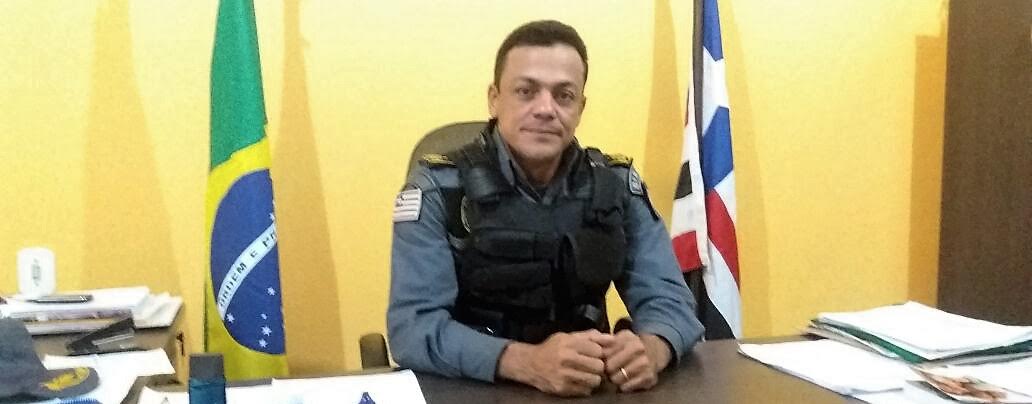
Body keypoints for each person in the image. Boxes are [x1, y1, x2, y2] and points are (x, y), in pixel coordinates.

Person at [387, 20, 704, 397]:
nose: (545, 109)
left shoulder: (615, 185)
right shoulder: (440, 188)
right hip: (471, 388)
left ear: (580, 107)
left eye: (564, 95)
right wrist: (525, 361)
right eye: (526, 91)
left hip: (587, 387)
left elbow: (671, 301)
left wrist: (652, 348)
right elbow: (413, 328)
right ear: (494, 99)